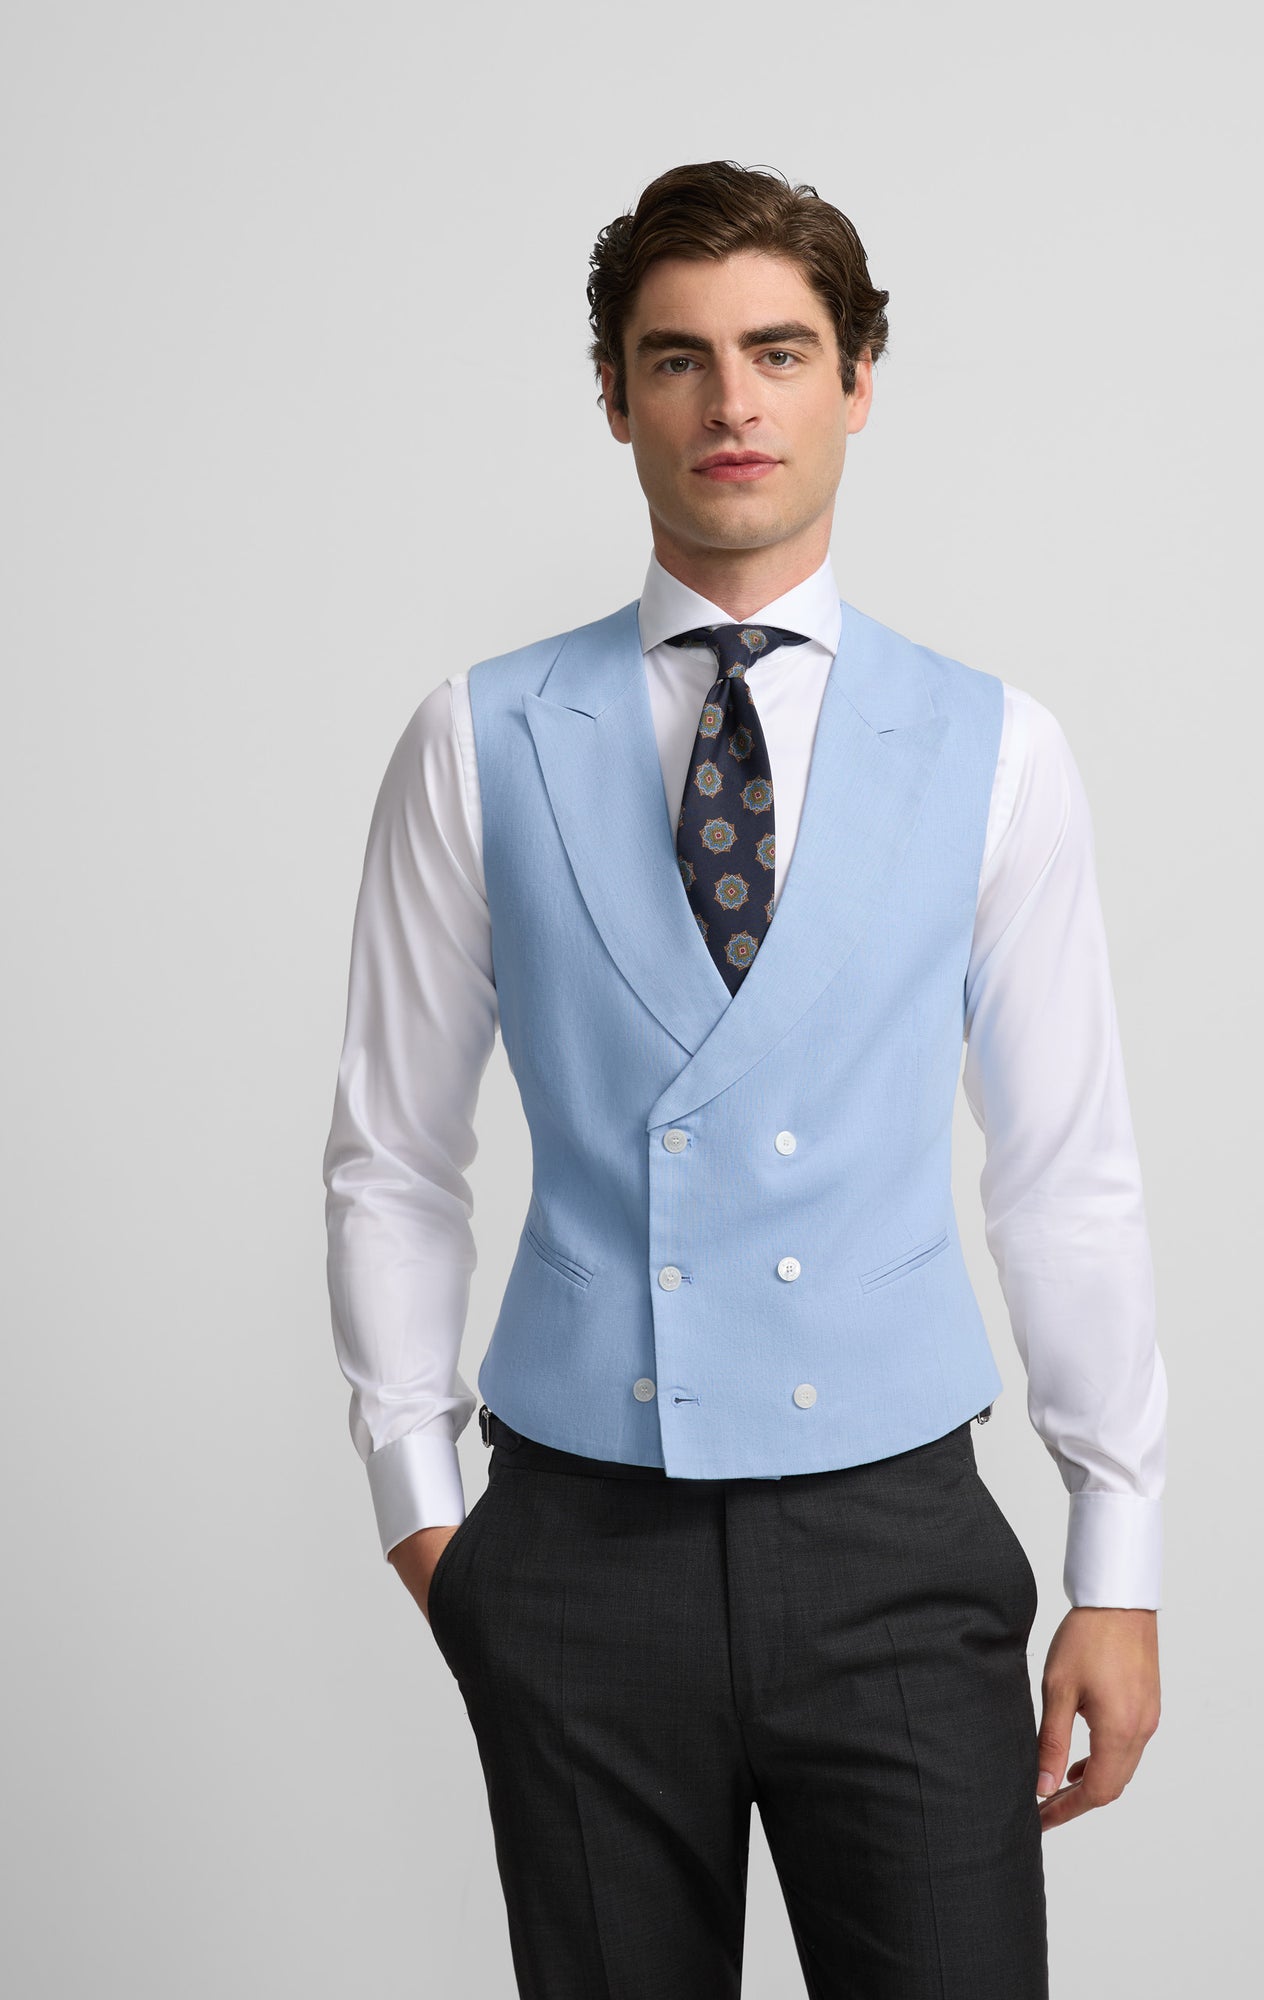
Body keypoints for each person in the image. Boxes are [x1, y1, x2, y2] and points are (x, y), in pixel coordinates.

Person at [322, 158, 1167, 1999]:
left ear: (858, 380)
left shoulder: (996, 747)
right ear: (614, 396)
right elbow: (392, 1151)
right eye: (678, 358)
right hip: (575, 1543)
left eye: (780, 352)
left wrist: (1118, 1555)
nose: (733, 402)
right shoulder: (474, 737)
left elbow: (1065, 1169)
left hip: (895, 1536)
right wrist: (421, 1507)